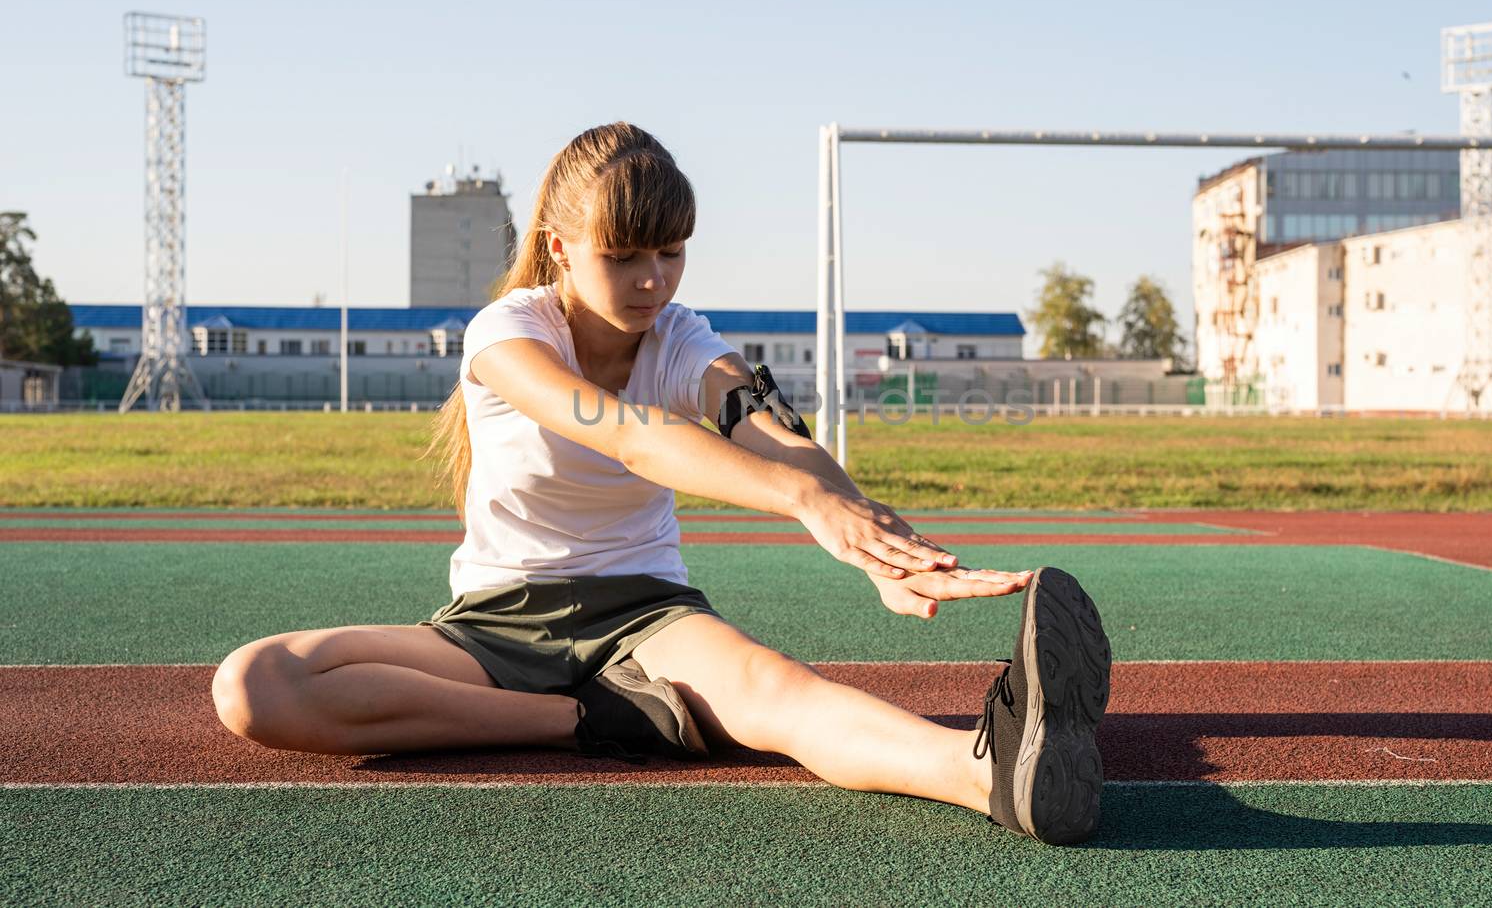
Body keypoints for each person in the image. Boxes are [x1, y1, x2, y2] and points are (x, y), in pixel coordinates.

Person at [211, 122, 1112, 845]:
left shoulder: (682, 337)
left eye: (672, 253)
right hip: (490, 625)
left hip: (648, 615)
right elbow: (634, 436)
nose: (653, 279)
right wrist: (801, 502)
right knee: (256, 684)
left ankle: (989, 769)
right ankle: (584, 719)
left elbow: (767, 426)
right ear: (558, 248)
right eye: (625, 256)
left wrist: (864, 535)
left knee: (778, 695)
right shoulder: (506, 334)